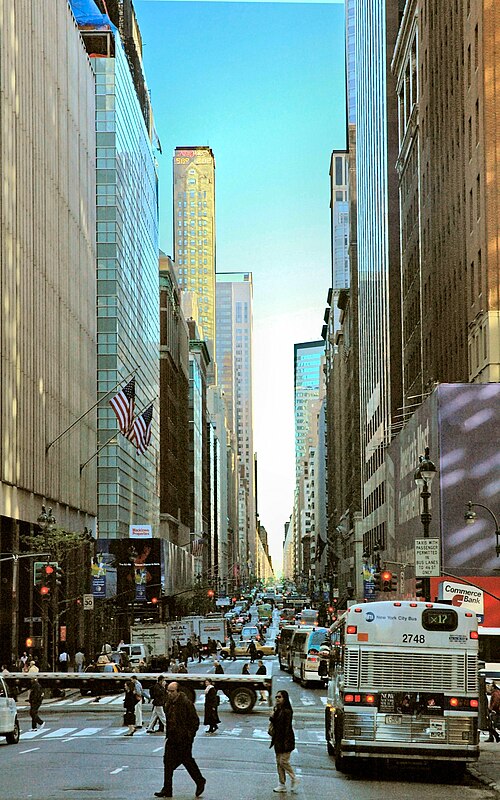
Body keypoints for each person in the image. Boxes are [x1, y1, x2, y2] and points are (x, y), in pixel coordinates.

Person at [154, 681, 206, 799]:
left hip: (183, 739)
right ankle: (167, 789)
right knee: (167, 762)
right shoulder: (168, 703)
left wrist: (189, 735)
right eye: (168, 691)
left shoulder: (186, 703)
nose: (169, 693)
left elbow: (195, 722)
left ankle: (200, 781)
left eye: (172, 691)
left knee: (187, 761)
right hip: (172, 737)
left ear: (178, 691)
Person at [268, 690, 298, 794]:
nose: (277, 699)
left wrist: (287, 742)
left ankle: (294, 778)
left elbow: (285, 727)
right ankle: (282, 784)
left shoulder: (287, 711)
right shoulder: (277, 709)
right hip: (277, 739)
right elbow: (275, 723)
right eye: (276, 697)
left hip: (286, 739)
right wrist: (272, 716)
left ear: (284, 698)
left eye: (279, 697)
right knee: (278, 762)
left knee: (283, 761)